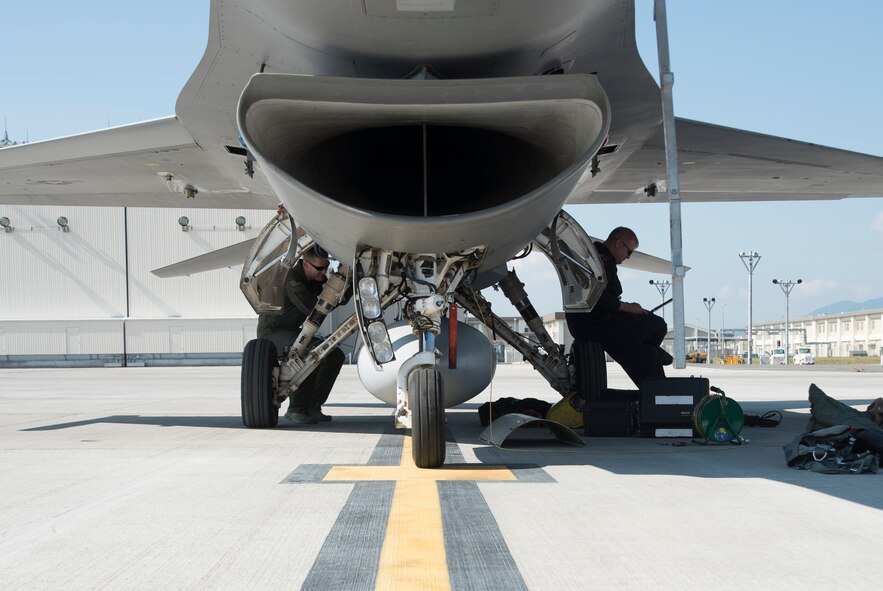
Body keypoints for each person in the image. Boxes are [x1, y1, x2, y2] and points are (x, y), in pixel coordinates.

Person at [565, 226, 672, 388]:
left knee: (646, 353)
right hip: (594, 323)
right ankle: (654, 352)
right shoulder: (602, 260)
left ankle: (653, 358)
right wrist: (627, 307)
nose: (628, 257)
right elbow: (595, 295)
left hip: (592, 322)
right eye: (629, 252)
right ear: (618, 243)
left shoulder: (596, 258)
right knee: (657, 325)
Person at [257, 243, 348, 425]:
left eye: (326, 268)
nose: (323, 273)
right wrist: (334, 290)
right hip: (273, 333)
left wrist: (348, 283)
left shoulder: (312, 278)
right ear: (305, 264)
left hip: (291, 331)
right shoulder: (292, 279)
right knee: (312, 352)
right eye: (319, 268)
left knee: (334, 355)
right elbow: (313, 308)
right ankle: (297, 409)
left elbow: (336, 300)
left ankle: (312, 406)